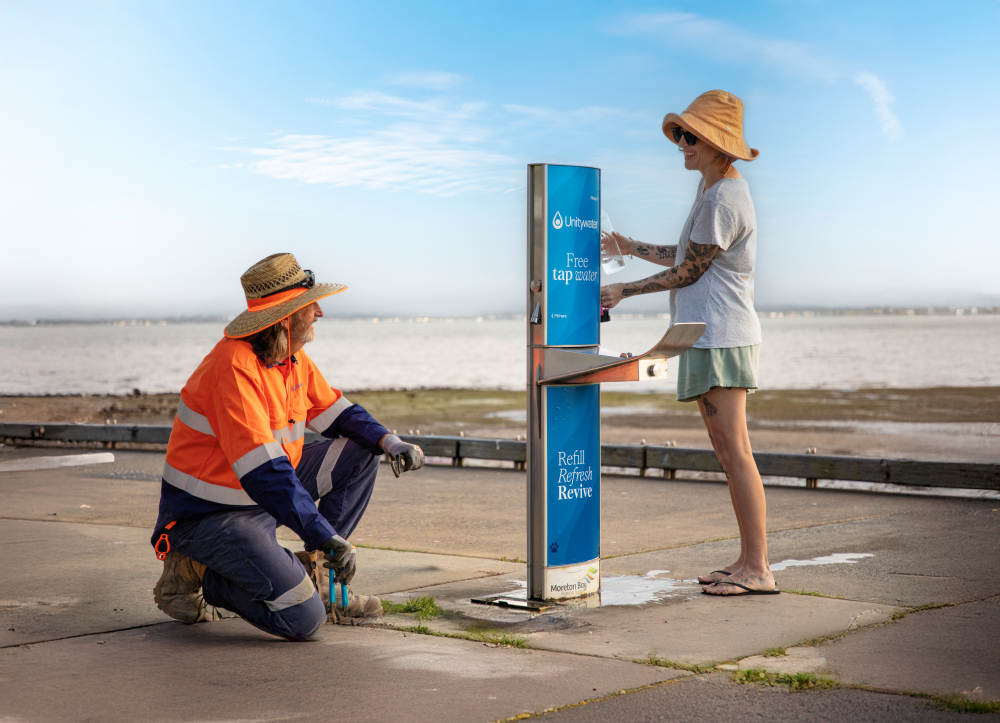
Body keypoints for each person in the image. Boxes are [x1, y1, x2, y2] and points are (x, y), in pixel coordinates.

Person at [151, 253, 425, 639]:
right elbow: (265, 472)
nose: (319, 313)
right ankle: (202, 572)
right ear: (285, 316)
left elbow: (338, 412)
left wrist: (389, 441)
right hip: (211, 518)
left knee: (363, 451)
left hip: (261, 499)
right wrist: (323, 535)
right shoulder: (233, 367)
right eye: (310, 305)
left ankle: (325, 582)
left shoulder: (292, 358)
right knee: (302, 620)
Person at [600, 90, 778, 596]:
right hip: (708, 337)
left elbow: (690, 271)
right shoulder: (712, 191)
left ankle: (758, 569)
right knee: (728, 452)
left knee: (736, 452)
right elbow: (686, 255)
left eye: (690, 135)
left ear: (719, 145)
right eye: (680, 134)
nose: (681, 143)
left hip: (722, 338)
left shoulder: (725, 197)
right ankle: (748, 561)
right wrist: (630, 246)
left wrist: (623, 290)